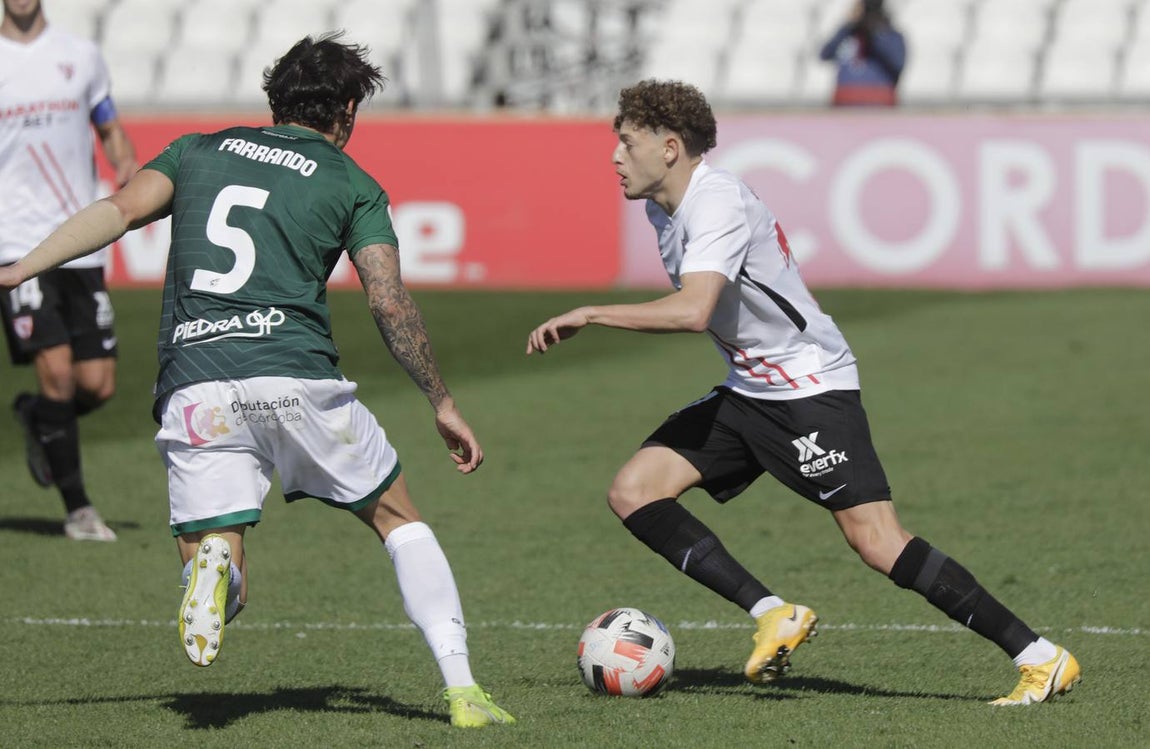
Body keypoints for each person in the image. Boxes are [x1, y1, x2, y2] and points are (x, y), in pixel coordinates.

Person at [0, 33, 515, 729]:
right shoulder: (353, 183)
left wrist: (22, 267)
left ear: (276, 98)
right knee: (398, 520)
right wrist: (441, 400)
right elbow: (389, 302)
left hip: (197, 386)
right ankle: (463, 691)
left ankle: (215, 566)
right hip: (296, 379)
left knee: (222, 580)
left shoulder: (196, 150)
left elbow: (117, 211)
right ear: (349, 109)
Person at [526, 79, 1080, 707]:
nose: (616, 156)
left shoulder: (716, 202)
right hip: (751, 390)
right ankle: (773, 613)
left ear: (670, 148)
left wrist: (593, 313)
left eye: (628, 143)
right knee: (635, 490)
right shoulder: (664, 209)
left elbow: (694, 310)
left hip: (806, 388)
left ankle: (1041, 658)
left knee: (877, 541)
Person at [0, 0, 137, 541]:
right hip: (16, 241)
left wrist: (124, 161)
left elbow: (110, 125)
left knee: (96, 385)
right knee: (56, 373)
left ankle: (39, 418)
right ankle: (78, 509)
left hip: (81, 238)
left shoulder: (80, 55)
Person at [818, 0, 906, 106]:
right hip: (845, 101)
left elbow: (897, 63)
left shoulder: (890, 36)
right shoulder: (848, 34)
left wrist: (874, 32)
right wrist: (848, 25)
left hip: (878, 101)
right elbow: (825, 54)